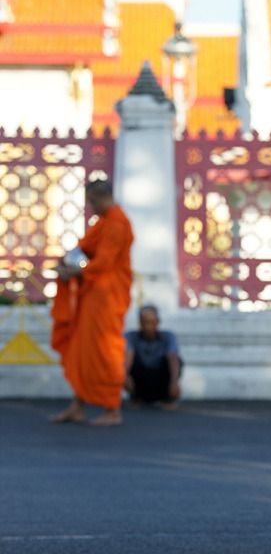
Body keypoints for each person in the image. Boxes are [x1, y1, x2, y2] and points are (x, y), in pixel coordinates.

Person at [50, 179, 134, 426]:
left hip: (107, 297)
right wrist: (66, 263)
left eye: (92, 201)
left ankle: (112, 409)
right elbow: (85, 249)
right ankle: (78, 405)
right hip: (92, 295)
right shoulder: (104, 222)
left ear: (103, 197)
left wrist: (75, 271)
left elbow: (104, 262)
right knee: (83, 349)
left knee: (105, 350)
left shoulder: (117, 223)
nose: (91, 207)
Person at [124, 305, 182, 408]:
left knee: (177, 361)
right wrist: (124, 375)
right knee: (122, 366)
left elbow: (173, 358)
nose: (148, 326)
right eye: (145, 322)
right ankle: (136, 397)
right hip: (141, 380)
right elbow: (128, 357)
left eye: (152, 322)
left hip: (160, 380)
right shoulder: (131, 336)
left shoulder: (168, 336)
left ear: (158, 322)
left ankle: (167, 398)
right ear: (140, 323)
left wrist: (174, 382)